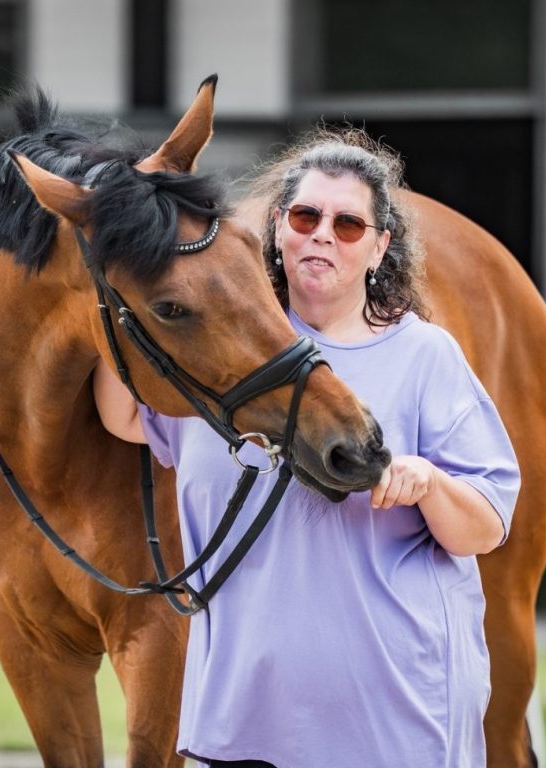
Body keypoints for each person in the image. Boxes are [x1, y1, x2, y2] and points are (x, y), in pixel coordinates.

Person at [93, 127, 520, 768]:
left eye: (349, 224)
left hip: (398, 717)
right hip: (243, 719)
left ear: (379, 248)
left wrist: (429, 482)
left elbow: (484, 530)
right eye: (305, 215)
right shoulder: (221, 352)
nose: (322, 232)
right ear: (278, 229)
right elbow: (126, 412)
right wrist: (117, 255)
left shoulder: (424, 356)